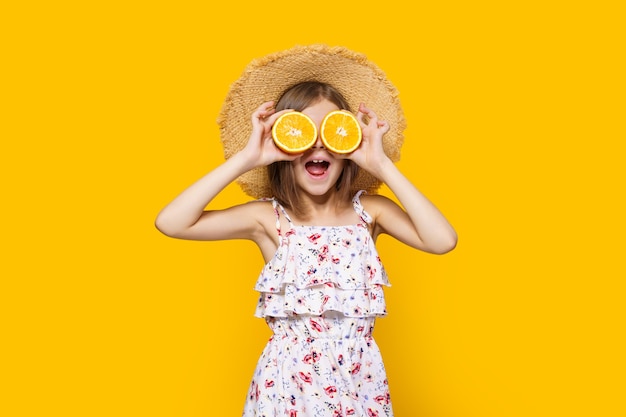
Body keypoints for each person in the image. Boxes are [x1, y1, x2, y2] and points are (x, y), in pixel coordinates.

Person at [155, 44, 457, 417]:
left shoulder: (370, 213)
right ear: (283, 141)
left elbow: (442, 240)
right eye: (301, 131)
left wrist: (382, 166)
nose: (317, 144)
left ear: (348, 143)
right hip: (286, 389)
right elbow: (171, 222)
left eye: (331, 132)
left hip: (359, 386)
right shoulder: (269, 219)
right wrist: (248, 158)